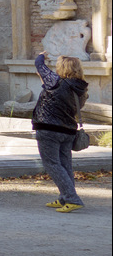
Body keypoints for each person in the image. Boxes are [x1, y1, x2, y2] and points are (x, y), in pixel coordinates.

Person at [32, 52, 88, 212]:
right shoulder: (81, 88)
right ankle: (65, 197)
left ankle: (72, 198)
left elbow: (39, 64)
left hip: (49, 129)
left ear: (62, 69)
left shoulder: (56, 82)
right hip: (68, 130)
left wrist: (41, 55)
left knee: (52, 164)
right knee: (65, 165)